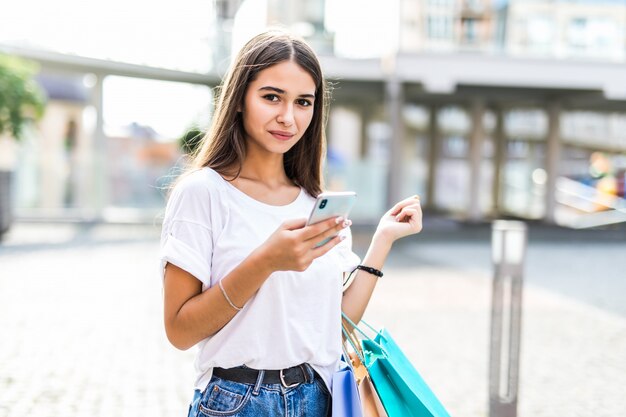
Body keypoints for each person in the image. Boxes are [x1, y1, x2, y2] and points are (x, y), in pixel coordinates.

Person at [159, 29, 422, 417]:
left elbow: (336, 326)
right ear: (238, 100)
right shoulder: (203, 193)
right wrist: (266, 261)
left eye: (303, 102)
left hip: (319, 397)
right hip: (238, 402)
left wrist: (382, 242)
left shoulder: (315, 202)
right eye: (271, 97)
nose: (288, 117)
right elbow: (180, 330)